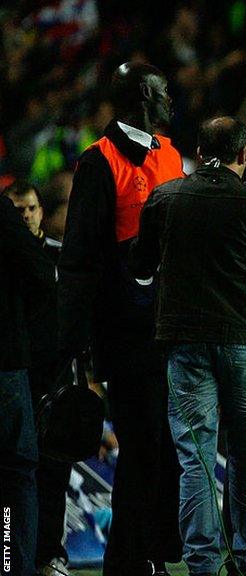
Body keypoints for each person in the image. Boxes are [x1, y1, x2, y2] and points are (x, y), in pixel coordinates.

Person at [129, 116, 246, 576]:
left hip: (184, 345)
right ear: (245, 155)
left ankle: (202, 564)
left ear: (200, 154)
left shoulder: (165, 198)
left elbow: (140, 264)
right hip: (245, 342)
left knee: (196, 459)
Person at [58, 62, 184, 576]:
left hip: (175, 330)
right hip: (127, 336)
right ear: (142, 97)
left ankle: (150, 552)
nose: (172, 100)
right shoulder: (99, 161)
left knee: (167, 445)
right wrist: (77, 349)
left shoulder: (171, 153)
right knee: (144, 443)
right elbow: (81, 260)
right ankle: (128, 561)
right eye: (164, 92)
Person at [4, 181, 72, 576]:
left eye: (30, 208)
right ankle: (16, 562)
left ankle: (47, 554)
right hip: (14, 372)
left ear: (41, 212)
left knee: (49, 472)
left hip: (45, 378)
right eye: (18, 210)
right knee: (19, 473)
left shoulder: (59, 255)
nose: (25, 216)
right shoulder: (17, 246)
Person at [1, 194, 55, 576]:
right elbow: (41, 273)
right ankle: (12, 564)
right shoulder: (2, 217)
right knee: (15, 473)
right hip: (6, 362)